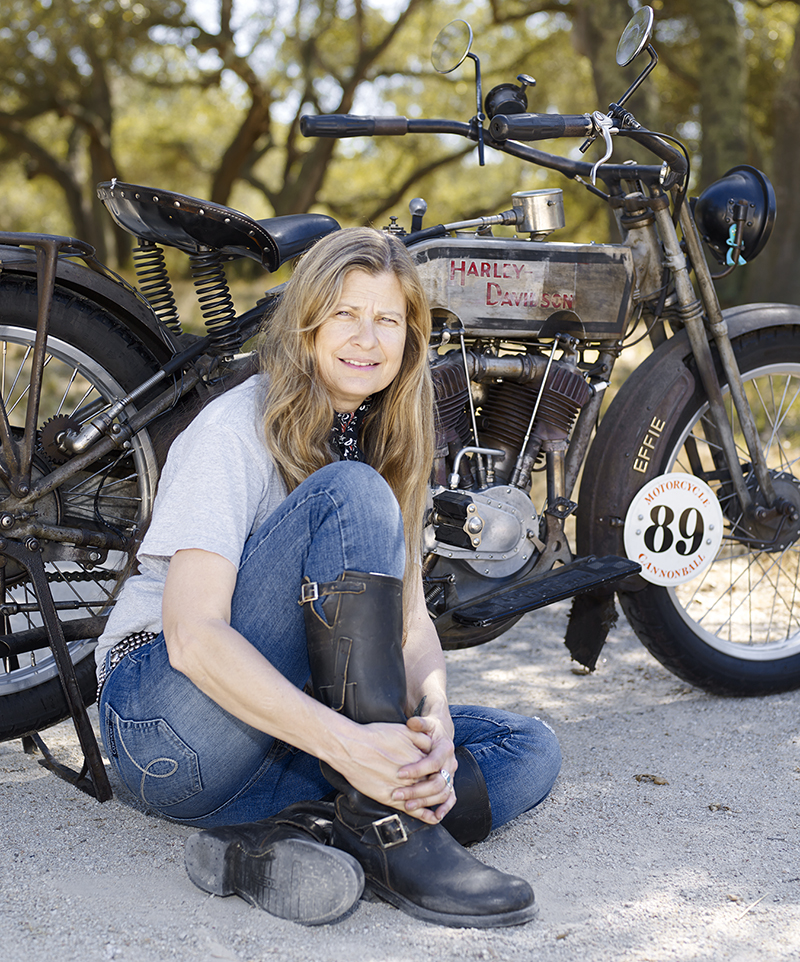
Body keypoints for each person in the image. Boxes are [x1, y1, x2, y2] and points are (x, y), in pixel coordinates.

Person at [95, 226, 561, 929]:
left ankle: (278, 838)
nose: (366, 339)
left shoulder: (388, 446)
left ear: (410, 339)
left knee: (527, 751)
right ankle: (380, 819)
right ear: (307, 321)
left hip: (278, 735)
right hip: (166, 724)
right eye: (346, 313)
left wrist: (431, 714)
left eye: (387, 320)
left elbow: (410, 626)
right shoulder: (234, 430)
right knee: (351, 490)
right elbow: (192, 637)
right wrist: (352, 747)